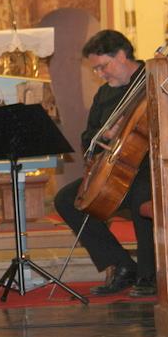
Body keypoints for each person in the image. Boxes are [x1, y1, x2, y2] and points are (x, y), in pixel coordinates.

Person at [53, 30, 156, 298]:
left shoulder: (153, 78)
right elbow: (88, 139)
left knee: (142, 193)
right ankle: (122, 265)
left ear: (121, 55)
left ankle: (150, 275)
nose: (100, 74)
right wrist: (104, 136)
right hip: (113, 170)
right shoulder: (104, 95)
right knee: (67, 200)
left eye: (103, 66)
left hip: (150, 167)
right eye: (95, 69)